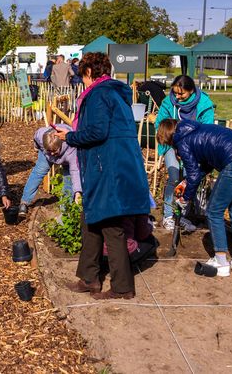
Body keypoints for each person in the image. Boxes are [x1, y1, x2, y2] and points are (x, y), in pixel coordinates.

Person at [56, 52, 151, 300]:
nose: (80, 81)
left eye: (81, 75)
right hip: (111, 164)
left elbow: (97, 132)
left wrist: (69, 137)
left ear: (88, 72)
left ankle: (122, 287)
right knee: (91, 220)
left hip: (107, 167)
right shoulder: (112, 93)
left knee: (111, 225)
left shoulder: (99, 94)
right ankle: (89, 278)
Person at [157, 118, 232, 277]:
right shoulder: (197, 130)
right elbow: (205, 166)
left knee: (214, 211)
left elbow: (193, 175)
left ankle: (221, 263)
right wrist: (188, 183)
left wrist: (185, 199)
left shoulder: (182, 140)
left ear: (168, 136)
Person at [154, 75, 214, 231]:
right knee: (174, 177)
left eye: (182, 94)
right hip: (172, 145)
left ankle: (182, 216)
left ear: (191, 90)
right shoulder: (168, 102)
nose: (177, 97)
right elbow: (159, 124)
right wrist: (171, 139)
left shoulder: (204, 104)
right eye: (175, 93)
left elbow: (206, 129)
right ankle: (168, 216)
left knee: (189, 178)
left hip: (193, 148)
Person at [18, 124, 82, 216]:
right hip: (45, 156)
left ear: (61, 145)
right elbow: (36, 137)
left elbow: (75, 172)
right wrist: (36, 147)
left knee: (69, 182)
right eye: (49, 150)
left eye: (54, 151)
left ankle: (65, 211)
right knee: (38, 173)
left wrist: (78, 192)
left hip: (66, 160)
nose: (52, 153)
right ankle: (24, 202)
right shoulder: (41, 135)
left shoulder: (71, 149)